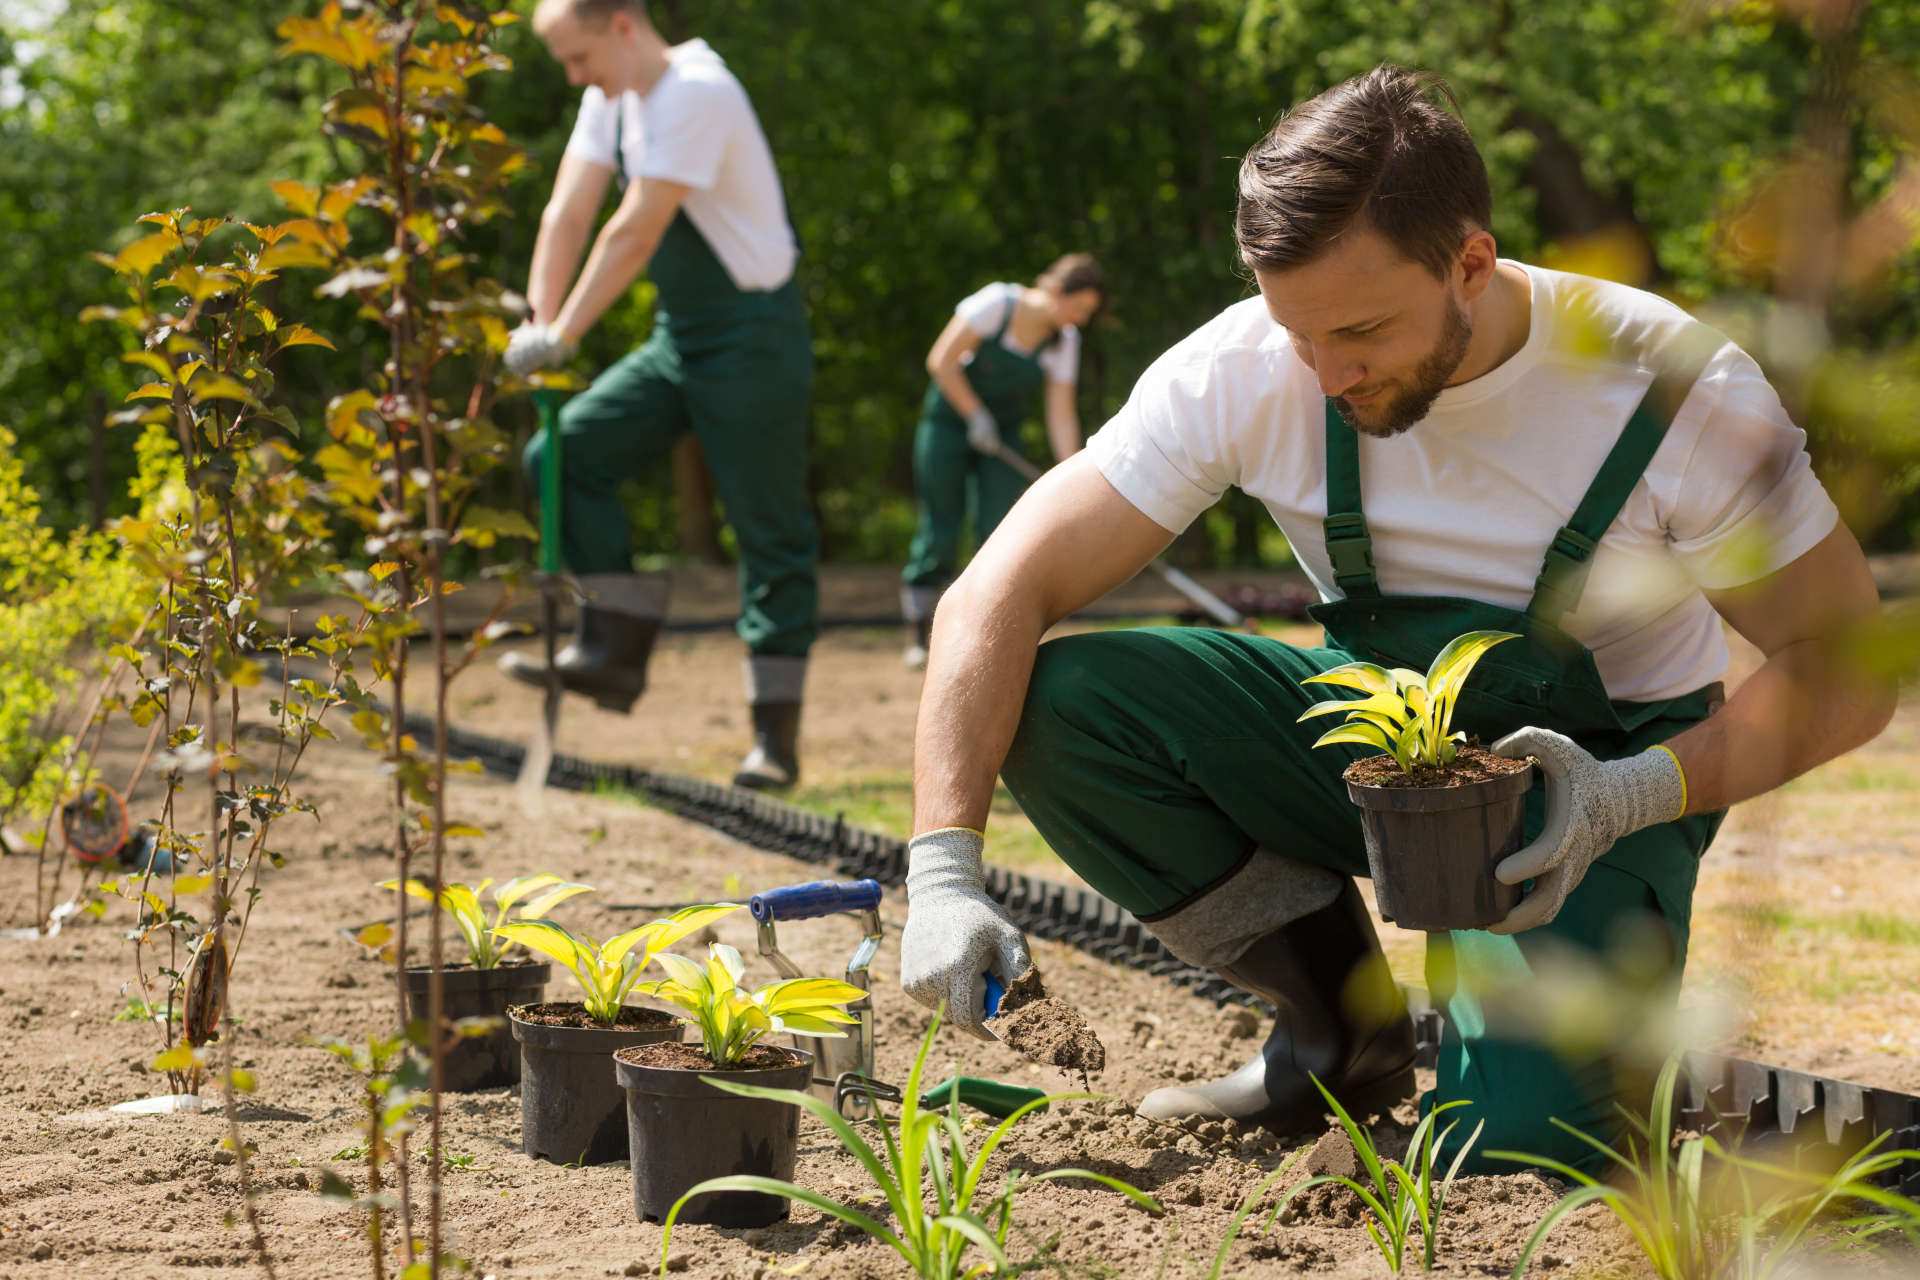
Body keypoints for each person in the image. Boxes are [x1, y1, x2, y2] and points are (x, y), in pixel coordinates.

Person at [894, 67, 1895, 1169]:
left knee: (1515, 1150)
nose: (1326, 373)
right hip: (1379, 750)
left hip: (1594, 788)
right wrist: (942, 869)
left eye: (1360, 330)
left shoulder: (1667, 390)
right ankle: (1341, 1030)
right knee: (1066, 704)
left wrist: (1626, 795)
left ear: (1470, 262)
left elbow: (1845, 666)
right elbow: (996, 587)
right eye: (1298, 333)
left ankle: (1542, 1018)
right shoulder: (1249, 366)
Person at [501, 0, 817, 790]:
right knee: (560, 456)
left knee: (768, 533)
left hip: (753, 339)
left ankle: (773, 742)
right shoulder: (609, 103)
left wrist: (567, 333)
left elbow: (633, 233)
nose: (577, 78)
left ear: (622, 26)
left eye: (578, 58)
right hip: (681, 340)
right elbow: (568, 213)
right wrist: (539, 320)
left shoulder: (697, 91)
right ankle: (612, 654)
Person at [899, 256, 1104, 669]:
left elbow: (1060, 412)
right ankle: (919, 636)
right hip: (950, 425)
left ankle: (975, 635)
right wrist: (975, 415)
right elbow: (941, 360)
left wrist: (1072, 472)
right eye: (1077, 309)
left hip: (1002, 439)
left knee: (997, 530)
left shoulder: (1063, 341)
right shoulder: (996, 304)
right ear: (1055, 291)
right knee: (940, 527)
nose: (1079, 321)